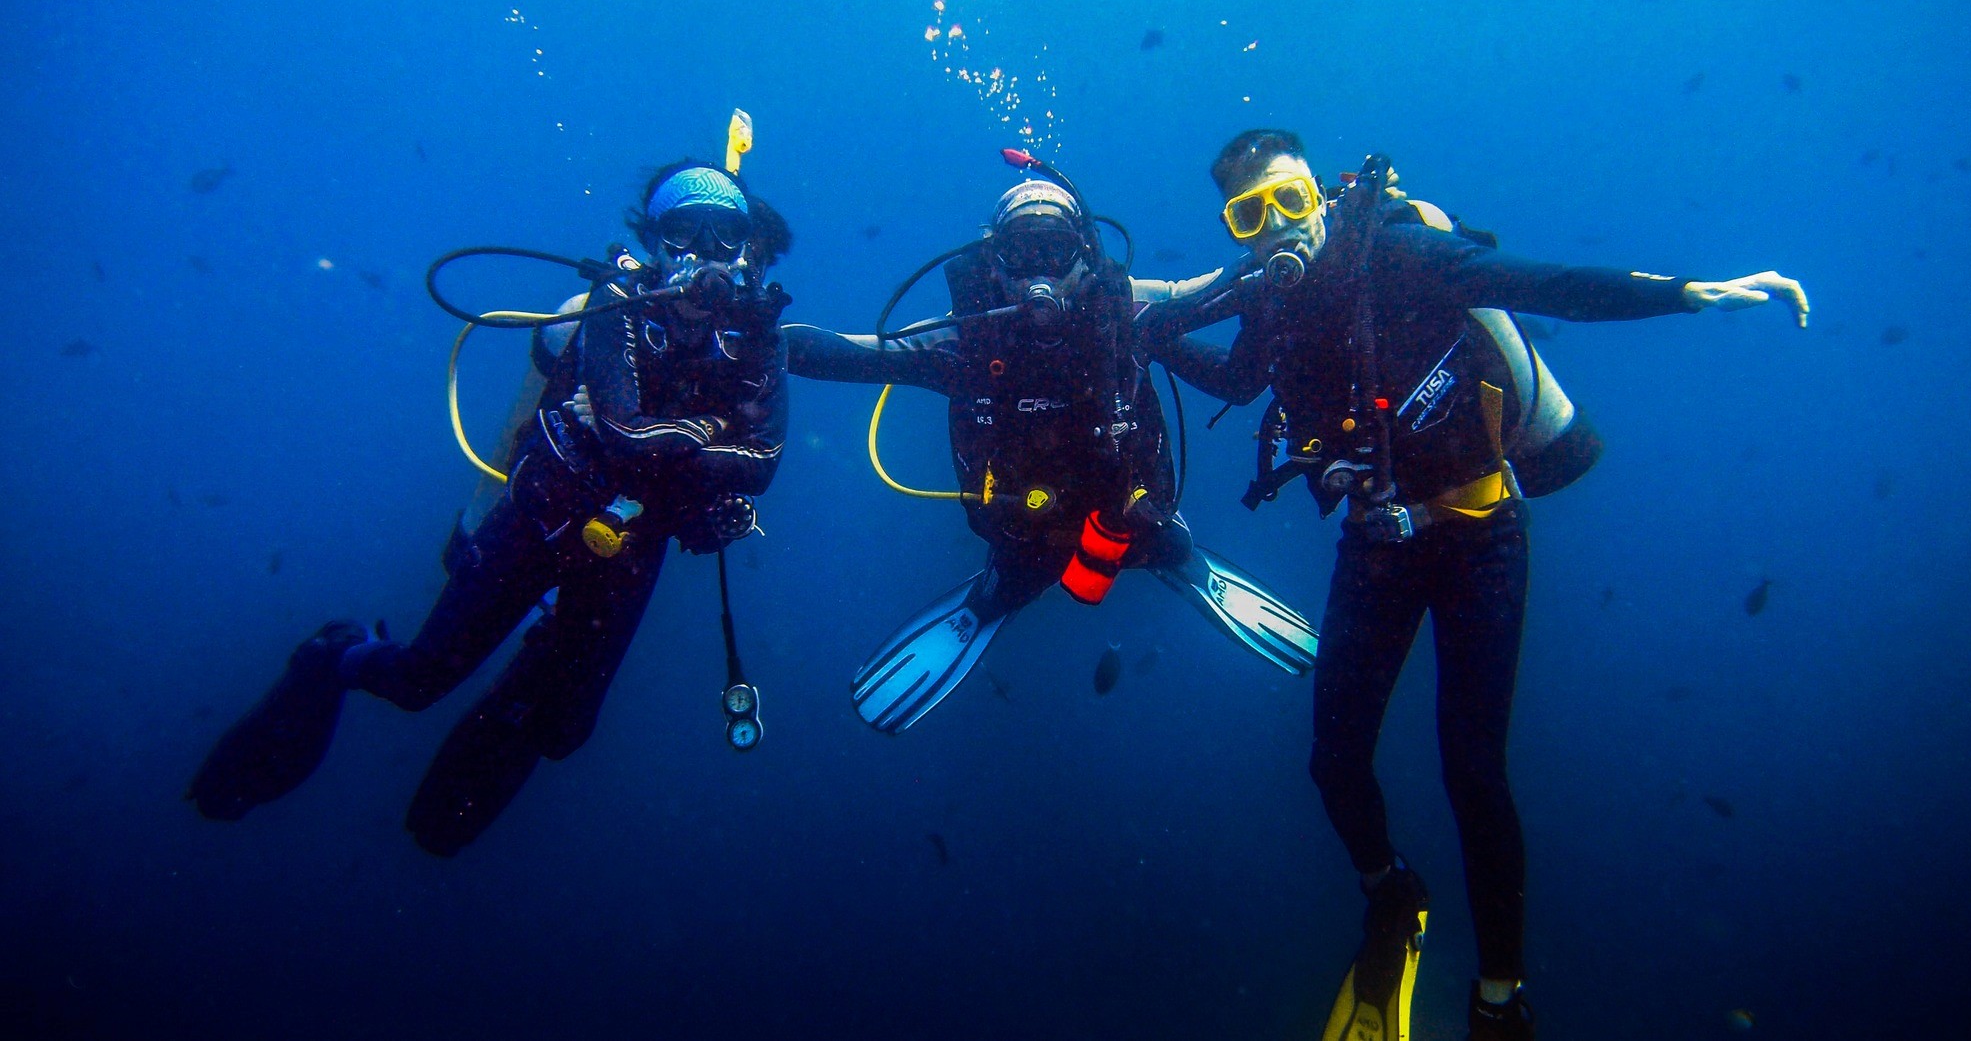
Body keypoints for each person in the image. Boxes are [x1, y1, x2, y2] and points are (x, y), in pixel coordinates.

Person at [1143, 129, 1809, 1041]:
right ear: (1234, 227)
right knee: (1332, 761)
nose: (1278, 230)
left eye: (1292, 201)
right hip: (1378, 542)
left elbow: (1545, 284)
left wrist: (1686, 293)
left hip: (1482, 535)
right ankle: (1390, 890)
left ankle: (1502, 993)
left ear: (1324, 198)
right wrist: (1139, 339)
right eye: (1250, 215)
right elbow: (1236, 376)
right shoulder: (1274, 303)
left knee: (1474, 772)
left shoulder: (1404, 251)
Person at [187, 158, 794, 856]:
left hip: (630, 549)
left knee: (564, 732)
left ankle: (529, 673)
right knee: (418, 681)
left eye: (724, 237)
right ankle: (336, 654)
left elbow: (769, 443)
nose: (703, 257)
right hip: (538, 519)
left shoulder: (755, 341)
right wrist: (474, 517)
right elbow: (524, 419)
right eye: (684, 233)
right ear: (654, 240)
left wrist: (707, 499)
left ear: (746, 249)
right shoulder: (593, 316)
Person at [782, 157, 1318, 734]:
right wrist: (754, 329)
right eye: (1020, 253)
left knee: (1149, 537)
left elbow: (1229, 284)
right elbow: (847, 353)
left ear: (1085, 254)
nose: (1038, 275)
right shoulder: (964, 338)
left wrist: (1311, 240)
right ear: (992, 263)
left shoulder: (1128, 308)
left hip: (1130, 510)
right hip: (1024, 528)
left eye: (1055, 250)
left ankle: (1169, 549)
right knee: (1019, 569)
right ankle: (1003, 589)